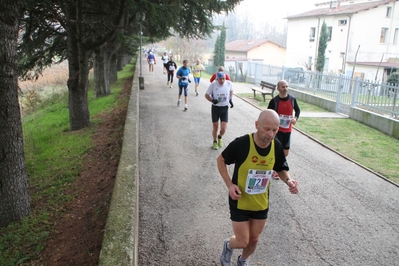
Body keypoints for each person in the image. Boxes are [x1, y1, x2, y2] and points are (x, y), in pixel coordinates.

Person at [217, 109, 299, 266]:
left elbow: (281, 168)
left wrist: (289, 181)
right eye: (266, 129)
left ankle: (242, 261)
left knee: (254, 240)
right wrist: (230, 184)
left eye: (275, 130)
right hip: (240, 200)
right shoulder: (242, 144)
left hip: (260, 202)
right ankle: (228, 245)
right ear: (257, 125)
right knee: (242, 241)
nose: (270, 134)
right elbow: (220, 160)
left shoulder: (276, 146)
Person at [267, 80, 301, 180]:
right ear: (278, 89)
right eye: (282, 87)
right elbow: (268, 113)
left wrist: (295, 118)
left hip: (288, 129)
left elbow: (298, 110)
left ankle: (275, 166)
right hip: (276, 130)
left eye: (286, 86)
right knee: (276, 149)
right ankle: (276, 170)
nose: (285, 88)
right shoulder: (274, 101)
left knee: (285, 153)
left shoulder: (292, 99)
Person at [205, 72, 233, 150]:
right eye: (220, 79)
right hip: (215, 108)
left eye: (223, 78)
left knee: (223, 129)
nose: (222, 80)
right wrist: (212, 100)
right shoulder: (213, 85)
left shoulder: (229, 83)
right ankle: (214, 141)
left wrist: (230, 100)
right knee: (215, 127)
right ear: (217, 79)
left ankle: (220, 137)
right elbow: (206, 95)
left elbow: (231, 91)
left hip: (224, 108)